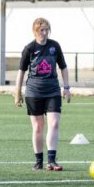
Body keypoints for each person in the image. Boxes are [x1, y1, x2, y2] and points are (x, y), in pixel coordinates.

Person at [14, 17, 71, 171]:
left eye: (47, 29)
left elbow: (63, 67)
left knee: (54, 123)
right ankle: (38, 161)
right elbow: (21, 71)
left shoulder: (55, 46)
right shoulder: (29, 48)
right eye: (41, 30)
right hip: (34, 92)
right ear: (35, 31)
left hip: (53, 91)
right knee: (38, 126)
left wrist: (66, 87)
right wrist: (17, 92)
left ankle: (51, 161)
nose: (45, 33)